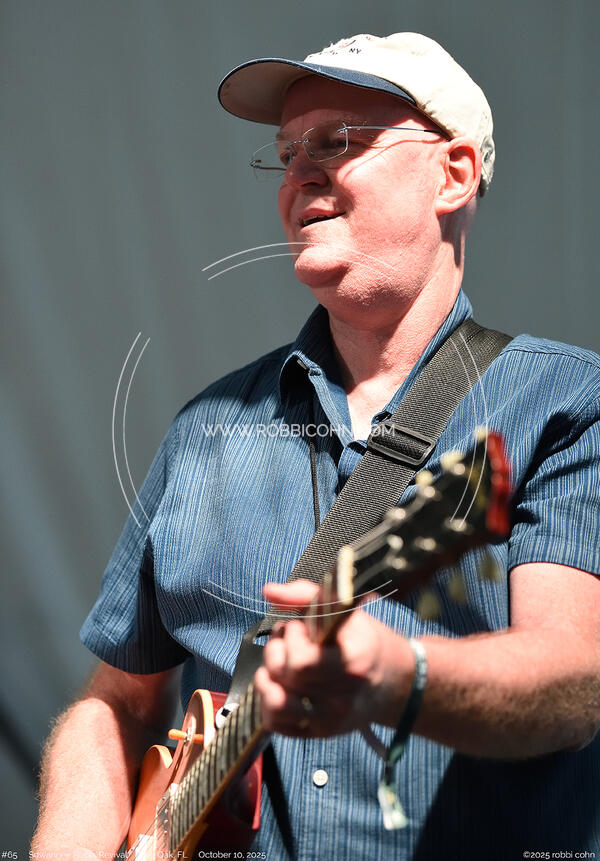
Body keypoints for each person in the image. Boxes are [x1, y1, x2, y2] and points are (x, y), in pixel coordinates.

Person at [32, 32, 600, 860]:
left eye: (337, 141)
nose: (298, 174)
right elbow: (115, 703)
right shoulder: (205, 428)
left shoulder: (565, 401)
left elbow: (577, 680)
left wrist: (401, 675)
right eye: (287, 152)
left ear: (452, 174)